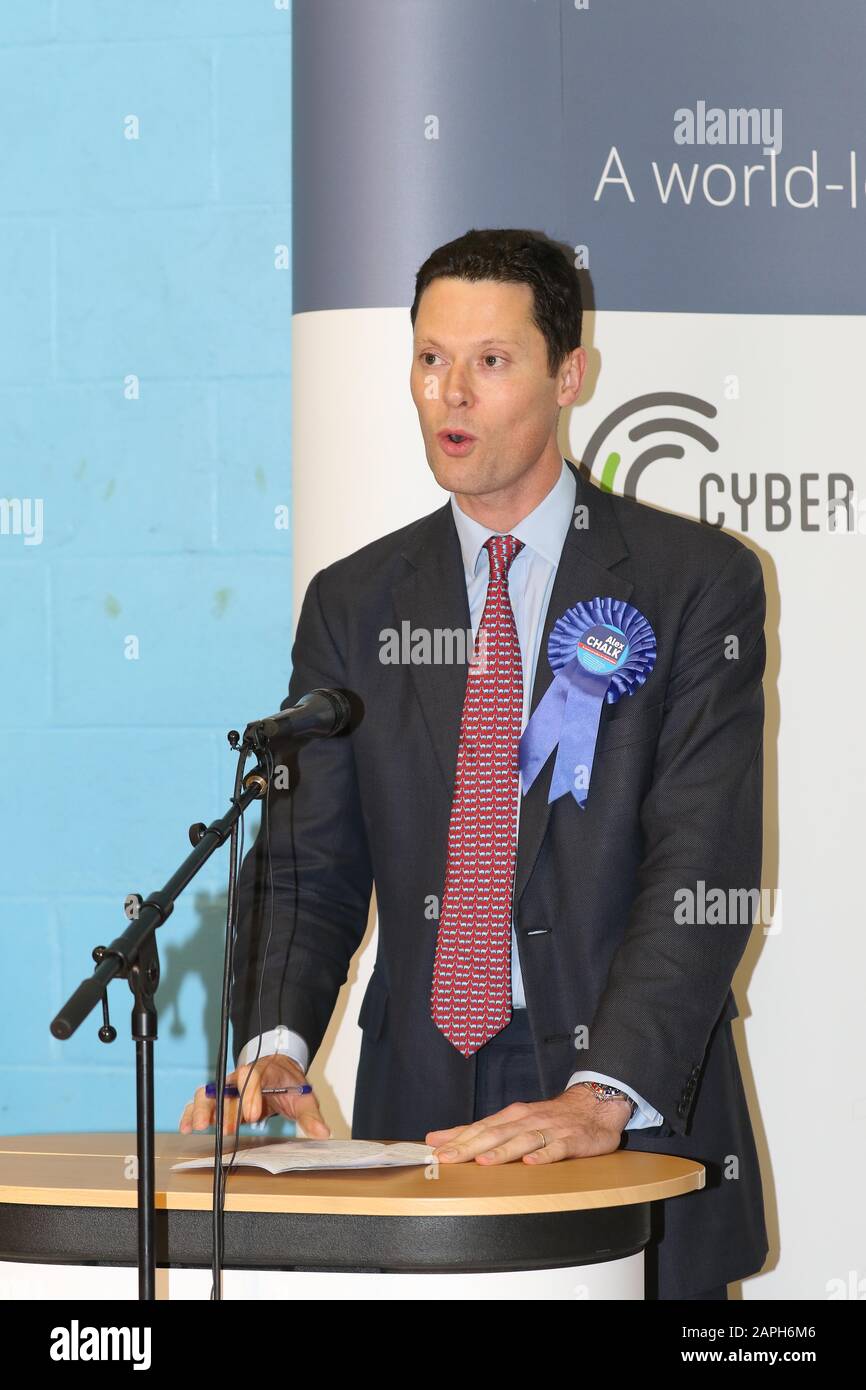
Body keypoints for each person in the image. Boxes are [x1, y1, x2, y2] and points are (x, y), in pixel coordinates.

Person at [180, 228, 768, 1300]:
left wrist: (601, 1092)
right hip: (425, 1099)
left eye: (490, 361)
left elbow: (700, 864)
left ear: (568, 376)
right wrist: (272, 1041)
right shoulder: (355, 604)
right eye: (428, 358)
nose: (449, 392)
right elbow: (309, 861)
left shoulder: (692, 585)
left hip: (620, 1098)